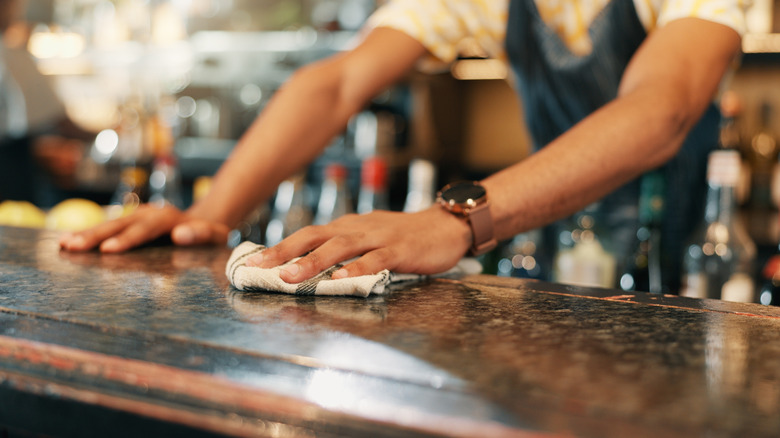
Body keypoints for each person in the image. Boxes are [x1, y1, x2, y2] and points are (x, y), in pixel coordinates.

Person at [60, 0, 744, 293]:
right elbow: (336, 83)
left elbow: (662, 111)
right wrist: (211, 212)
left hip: (683, 260)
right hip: (563, 237)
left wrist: (457, 218)